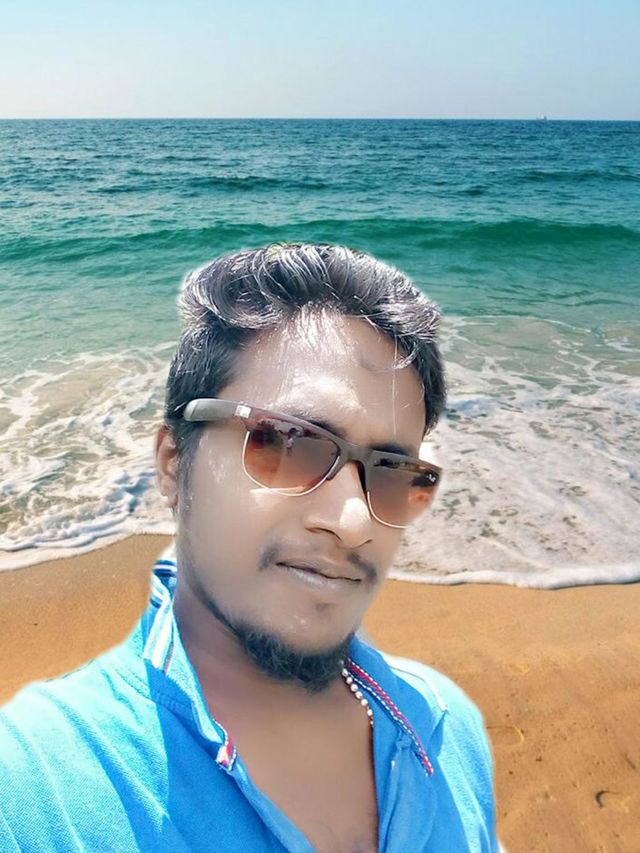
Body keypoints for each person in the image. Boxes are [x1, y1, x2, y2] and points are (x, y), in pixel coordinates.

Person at [0, 244, 501, 852]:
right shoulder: (33, 791)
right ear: (174, 462)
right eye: (290, 442)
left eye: (393, 471)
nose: (353, 521)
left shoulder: (445, 732)